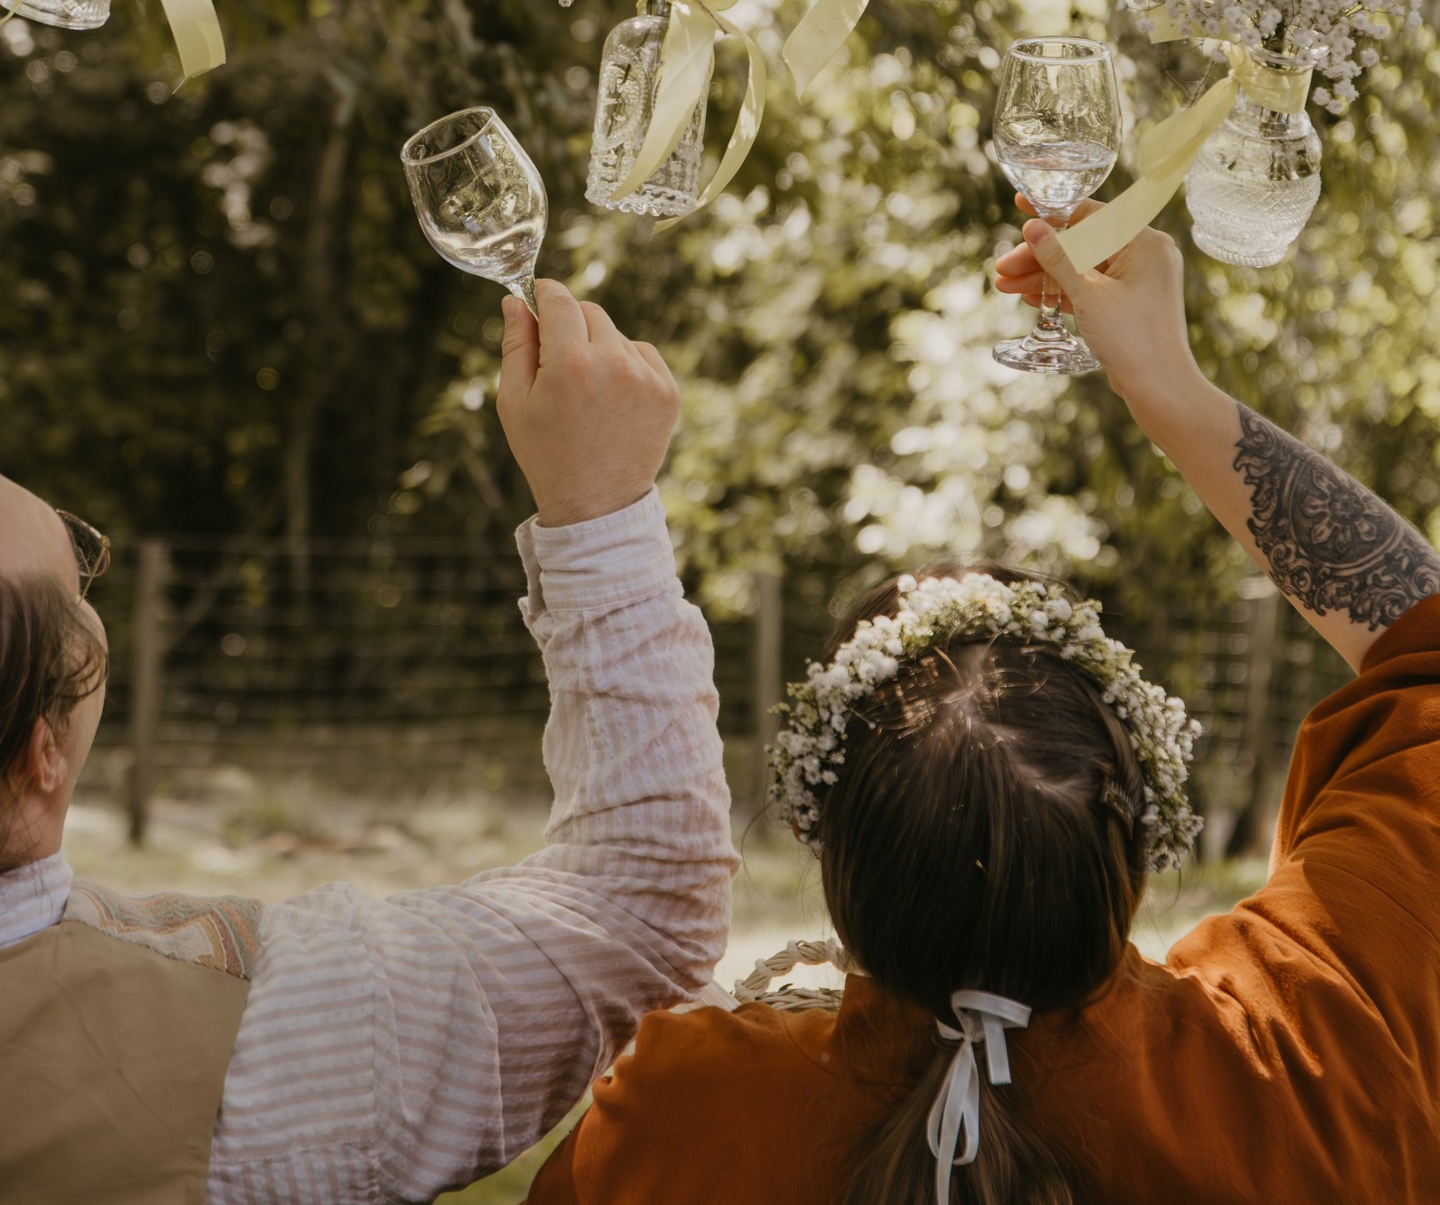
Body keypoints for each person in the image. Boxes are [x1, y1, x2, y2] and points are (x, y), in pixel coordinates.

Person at [525, 215, 1440, 1205]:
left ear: (832, 849)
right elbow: (1424, 643)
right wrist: (1170, 388)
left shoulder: (677, 1122)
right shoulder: (1310, 1079)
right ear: (1133, 838)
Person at [0, 282, 738, 1205]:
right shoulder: (253, 1048)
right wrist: (601, 510)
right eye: (82, 580)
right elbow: (641, 907)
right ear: (43, 751)